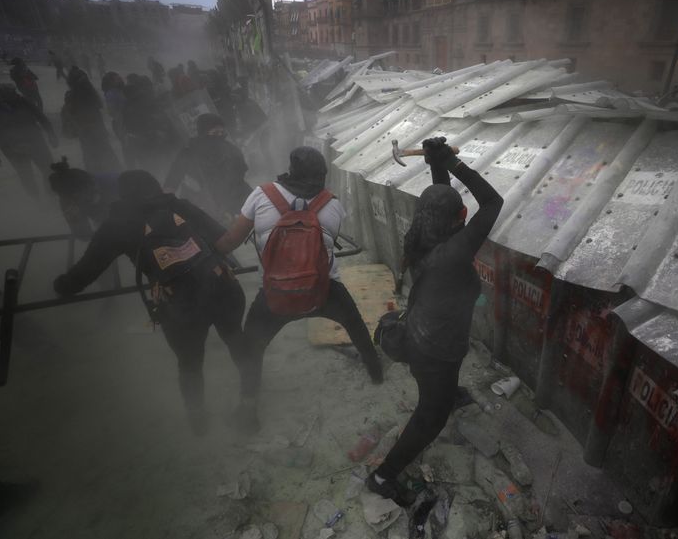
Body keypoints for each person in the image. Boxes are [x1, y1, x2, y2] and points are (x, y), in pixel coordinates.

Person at [53, 170, 251, 435]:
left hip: (179, 304)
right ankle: (250, 402)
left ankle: (198, 421)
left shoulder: (116, 224)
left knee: (189, 363)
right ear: (156, 187)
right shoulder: (179, 205)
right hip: (222, 289)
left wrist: (62, 285)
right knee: (236, 339)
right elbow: (222, 239)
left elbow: (84, 274)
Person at [365, 138, 503, 505]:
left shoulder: (425, 234)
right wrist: (455, 166)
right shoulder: (455, 252)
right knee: (430, 418)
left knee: (444, 385)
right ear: (459, 217)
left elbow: (440, 195)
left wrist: (437, 163)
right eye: (461, 212)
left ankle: (449, 394)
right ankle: (381, 476)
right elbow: (492, 202)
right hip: (434, 349)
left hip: (427, 333)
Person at [214, 146, 383, 431]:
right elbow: (327, 245)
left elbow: (229, 243)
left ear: (291, 169)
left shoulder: (261, 194)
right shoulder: (333, 204)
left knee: (252, 347)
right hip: (323, 290)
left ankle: (248, 406)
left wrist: (211, 251)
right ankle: (376, 372)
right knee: (356, 327)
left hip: (275, 297)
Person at [163, 113, 251, 222]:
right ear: (203, 133)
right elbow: (171, 183)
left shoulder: (229, 148)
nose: (219, 136)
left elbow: (242, 171)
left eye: (222, 133)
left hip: (240, 199)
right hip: (208, 210)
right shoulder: (189, 153)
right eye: (214, 133)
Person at [0, 84, 58, 199]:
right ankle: (36, 200)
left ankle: (51, 195)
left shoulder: (23, 102)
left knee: (48, 169)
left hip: (34, 141)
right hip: (11, 148)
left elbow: (41, 117)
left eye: (13, 93)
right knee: (26, 175)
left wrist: (51, 134)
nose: (14, 94)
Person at [61, 66, 121, 173]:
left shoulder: (72, 96)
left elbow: (70, 114)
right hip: (95, 131)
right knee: (106, 156)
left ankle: (98, 179)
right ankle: (113, 176)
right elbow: (97, 109)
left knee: (92, 159)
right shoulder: (90, 93)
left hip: (86, 132)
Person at [48, 157, 118, 239]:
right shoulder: (67, 202)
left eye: (77, 194)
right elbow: (82, 234)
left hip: (105, 195)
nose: (75, 197)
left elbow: (114, 223)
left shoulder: (108, 186)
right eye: (70, 196)